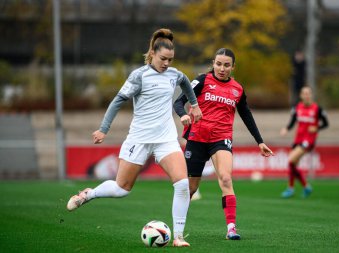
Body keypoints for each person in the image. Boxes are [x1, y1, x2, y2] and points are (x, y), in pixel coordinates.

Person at [66, 28, 202, 247]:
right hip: (139, 139)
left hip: (166, 139)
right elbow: (118, 100)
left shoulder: (174, 74)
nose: (167, 63)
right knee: (121, 189)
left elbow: (186, 82)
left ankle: (178, 236)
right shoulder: (139, 76)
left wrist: (194, 105)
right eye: (163, 59)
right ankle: (89, 194)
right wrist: (103, 129)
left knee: (183, 184)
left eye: (170, 59)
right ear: (152, 54)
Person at [173, 48, 274, 240]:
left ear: (233, 67)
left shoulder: (237, 89)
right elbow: (178, 102)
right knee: (191, 188)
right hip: (197, 138)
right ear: (213, 63)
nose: (222, 68)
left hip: (221, 138)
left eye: (226, 65)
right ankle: (178, 230)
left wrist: (260, 141)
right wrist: (184, 114)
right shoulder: (202, 81)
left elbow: (246, 115)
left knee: (226, 179)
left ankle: (231, 229)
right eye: (218, 64)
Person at [280, 86, 329, 198]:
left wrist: (317, 128)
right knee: (292, 164)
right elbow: (292, 122)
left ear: (311, 95)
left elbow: (326, 123)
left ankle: (292, 188)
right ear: (301, 96)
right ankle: (304, 187)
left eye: (308, 93)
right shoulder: (297, 108)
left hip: (309, 141)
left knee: (291, 159)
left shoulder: (317, 109)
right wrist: (286, 129)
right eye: (304, 93)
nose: (306, 95)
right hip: (298, 139)